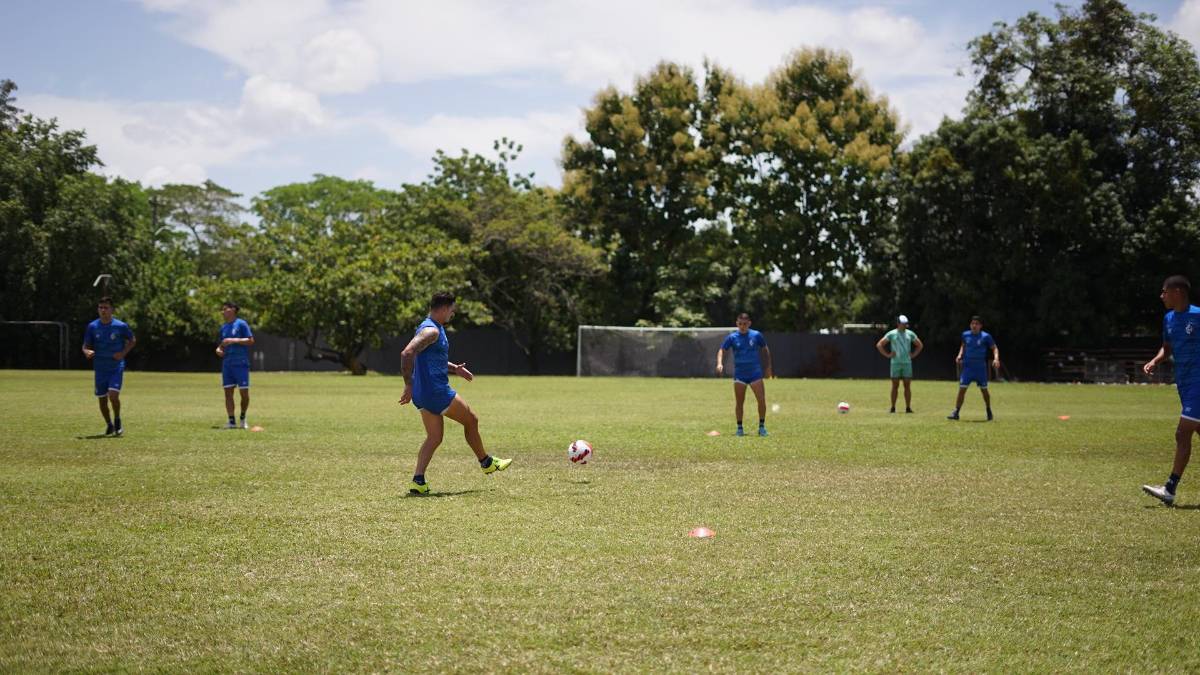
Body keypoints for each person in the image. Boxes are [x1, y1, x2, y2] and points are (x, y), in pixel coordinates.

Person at [399, 292, 512, 495]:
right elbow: (407, 353)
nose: (453, 313)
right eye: (452, 310)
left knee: (434, 437)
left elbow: (430, 358)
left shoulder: (426, 326)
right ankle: (486, 462)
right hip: (437, 392)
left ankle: (418, 480)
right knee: (472, 420)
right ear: (443, 308)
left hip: (423, 393)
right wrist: (407, 385)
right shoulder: (431, 331)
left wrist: (454, 368)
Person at [1142, 275, 1200, 506]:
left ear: (1177, 292)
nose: (1162, 296)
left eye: (1164, 291)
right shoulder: (1168, 319)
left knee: (1182, 433)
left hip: (1198, 382)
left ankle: (1169, 488)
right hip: (1184, 384)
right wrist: (1155, 361)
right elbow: (1167, 349)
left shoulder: (1197, 315)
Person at [82, 297, 136, 436]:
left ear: (112, 310)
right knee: (102, 401)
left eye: (106, 308)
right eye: (101, 308)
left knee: (113, 395)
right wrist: (86, 351)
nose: (103, 310)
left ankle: (117, 420)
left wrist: (122, 353)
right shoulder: (92, 326)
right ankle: (109, 424)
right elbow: (85, 345)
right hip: (100, 368)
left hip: (115, 367)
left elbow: (132, 340)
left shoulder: (120, 326)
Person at [716, 312, 773, 436]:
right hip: (740, 374)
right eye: (740, 324)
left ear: (749, 324)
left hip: (755, 373)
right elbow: (722, 350)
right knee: (739, 402)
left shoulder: (756, 335)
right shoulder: (732, 337)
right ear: (737, 323)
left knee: (761, 400)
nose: (742, 326)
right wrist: (720, 363)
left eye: (745, 324)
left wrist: (768, 367)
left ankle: (762, 427)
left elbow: (765, 349)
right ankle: (739, 428)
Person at [948, 315, 1000, 421]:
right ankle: (956, 412)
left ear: (980, 326)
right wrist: (959, 355)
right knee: (962, 389)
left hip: (980, 368)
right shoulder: (965, 335)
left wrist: (996, 359)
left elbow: (994, 348)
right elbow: (963, 345)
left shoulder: (986, 336)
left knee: (984, 391)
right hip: (968, 368)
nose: (974, 326)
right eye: (972, 323)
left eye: (976, 324)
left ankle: (988, 410)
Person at [216, 301, 255, 429]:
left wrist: (233, 340)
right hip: (227, 364)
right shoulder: (223, 327)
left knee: (244, 393)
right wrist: (219, 349)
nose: (222, 312)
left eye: (224, 309)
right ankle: (231, 421)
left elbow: (250, 340)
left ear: (232, 310)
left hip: (241, 363)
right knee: (228, 393)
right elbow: (222, 344)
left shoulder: (241, 324)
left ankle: (243, 418)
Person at [876, 314, 923, 413]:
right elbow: (879, 344)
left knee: (907, 386)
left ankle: (908, 408)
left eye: (906, 324)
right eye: (903, 324)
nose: (905, 325)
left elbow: (919, 345)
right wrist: (887, 355)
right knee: (895, 385)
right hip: (895, 363)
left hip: (907, 363)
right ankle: (893, 407)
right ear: (898, 323)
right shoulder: (892, 334)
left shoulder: (910, 334)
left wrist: (913, 355)